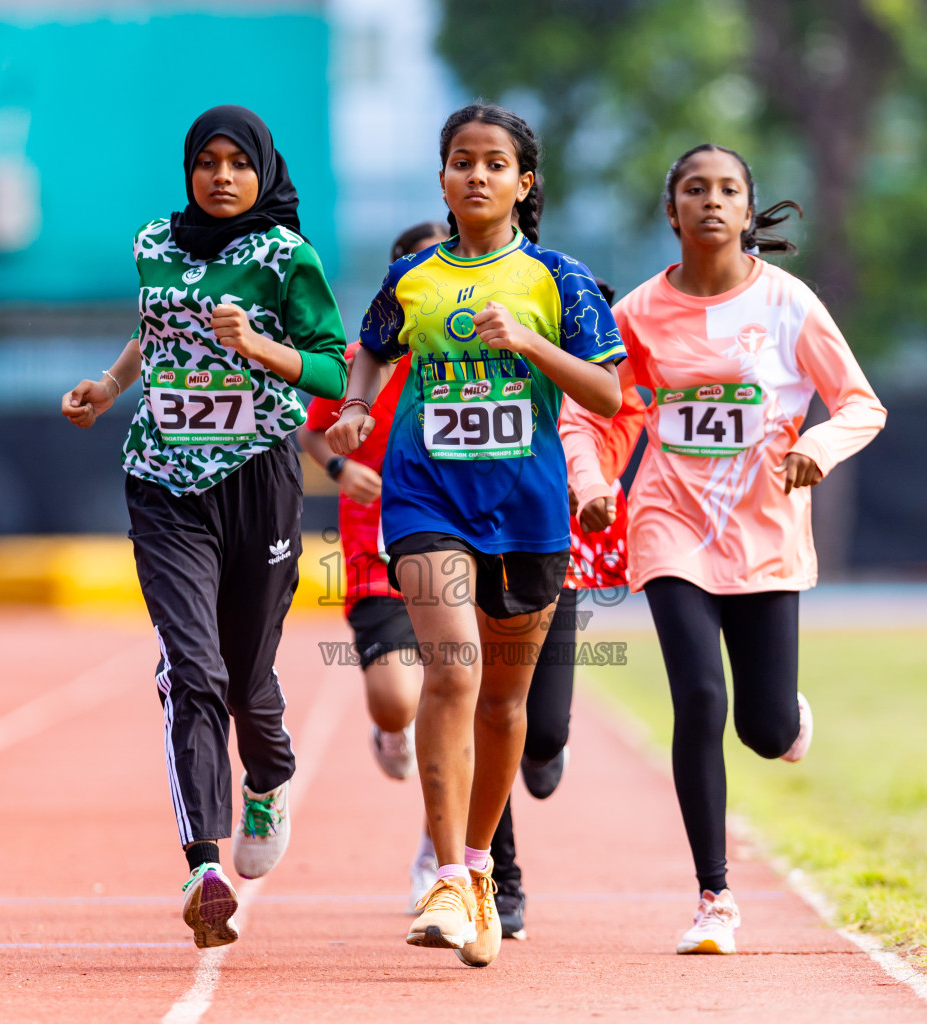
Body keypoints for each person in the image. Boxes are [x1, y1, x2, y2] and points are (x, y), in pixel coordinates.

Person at [560, 143, 886, 955]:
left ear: (749, 210)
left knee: (765, 730)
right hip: (669, 520)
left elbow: (860, 404)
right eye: (694, 190)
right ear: (671, 212)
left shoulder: (790, 305)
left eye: (729, 189)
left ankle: (786, 719)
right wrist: (594, 483)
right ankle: (715, 898)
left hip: (766, 527)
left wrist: (821, 446)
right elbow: (593, 413)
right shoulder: (635, 313)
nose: (712, 201)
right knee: (700, 699)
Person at [327, 103, 624, 968]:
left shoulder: (559, 279)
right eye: (462, 161)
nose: (478, 175)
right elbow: (375, 347)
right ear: (445, 178)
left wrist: (531, 344)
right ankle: (449, 874)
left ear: (524, 183)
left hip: (527, 509)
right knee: (452, 671)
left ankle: (485, 867)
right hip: (426, 500)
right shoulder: (414, 277)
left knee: (504, 704)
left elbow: (605, 397)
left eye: (496, 163)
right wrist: (353, 410)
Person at [60, 105, 347, 949]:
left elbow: (331, 363)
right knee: (194, 668)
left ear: (264, 171)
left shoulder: (287, 257)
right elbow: (156, 333)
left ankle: (271, 777)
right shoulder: (155, 243)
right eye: (206, 162)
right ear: (188, 170)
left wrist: (264, 348)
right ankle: (202, 864)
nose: (221, 176)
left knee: (248, 676)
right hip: (163, 477)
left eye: (237, 163)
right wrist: (110, 387)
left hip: (256, 473)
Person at [296, 219, 449, 911]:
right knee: (398, 700)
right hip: (377, 546)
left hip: (463, 547)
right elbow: (311, 425)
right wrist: (339, 466)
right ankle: (390, 728)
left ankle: (434, 856)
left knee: (457, 703)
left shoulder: (475, 357)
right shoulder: (363, 356)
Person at [488, 277, 646, 942]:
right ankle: (501, 880)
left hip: (558, 552)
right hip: (476, 544)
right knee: (481, 709)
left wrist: (588, 484)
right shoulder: (486, 367)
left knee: (542, 730)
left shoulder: (605, 390)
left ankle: (544, 745)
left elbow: (602, 439)